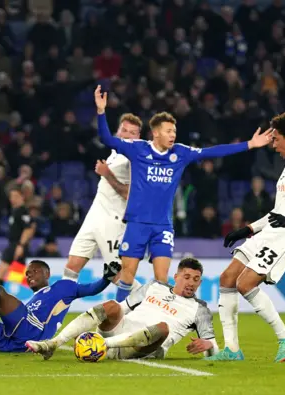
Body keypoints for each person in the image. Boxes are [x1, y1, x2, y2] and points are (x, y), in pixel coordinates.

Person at [93, 85, 273, 301]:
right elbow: (107, 139)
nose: (173, 135)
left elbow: (212, 152)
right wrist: (101, 112)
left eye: (175, 131)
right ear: (156, 132)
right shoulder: (138, 149)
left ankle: (156, 323)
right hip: (137, 223)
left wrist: (250, 144)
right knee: (127, 277)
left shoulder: (181, 152)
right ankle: (117, 321)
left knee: (162, 280)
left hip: (163, 226)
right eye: (169, 131)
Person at [207, 112, 285, 362]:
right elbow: (278, 212)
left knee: (245, 284)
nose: (273, 145)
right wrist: (249, 229)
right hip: (273, 230)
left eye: (277, 140)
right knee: (227, 278)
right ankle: (232, 350)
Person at [26, 258, 219, 360]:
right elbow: (122, 308)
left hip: (143, 347)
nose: (191, 283)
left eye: (195, 279)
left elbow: (213, 348)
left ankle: (98, 346)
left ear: (200, 282)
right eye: (186, 277)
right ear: (176, 276)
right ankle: (52, 344)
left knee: (163, 328)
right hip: (117, 331)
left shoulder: (200, 310)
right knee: (112, 305)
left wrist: (209, 347)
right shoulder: (154, 286)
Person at [62, 113, 141, 281]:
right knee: (71, 267)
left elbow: (131, 194)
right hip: (94, 216)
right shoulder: (114, 153)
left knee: (117, 275)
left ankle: (146, 303)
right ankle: (58, 307)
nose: (126, 135)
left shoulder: (134, 159)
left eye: (132, 133)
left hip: (113, 219)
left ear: (139, 137)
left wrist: (107, 174)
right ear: (117, 132)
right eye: (124, 130)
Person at [0, 188, 36, 287]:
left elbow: (28, 229)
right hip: (14, 244)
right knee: (16, 275)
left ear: (22, 197)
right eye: (11, 196)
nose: (13, 199)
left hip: (16, 244)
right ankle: (39, 288)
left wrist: (21, 245)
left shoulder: (22, 211)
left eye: (16, 196)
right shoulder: (15, 211)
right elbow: (32, 225)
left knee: (2, 270)